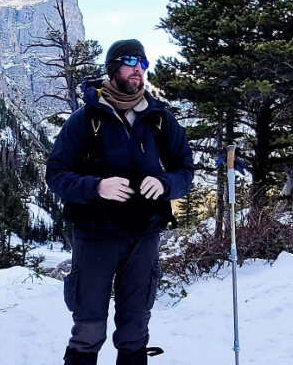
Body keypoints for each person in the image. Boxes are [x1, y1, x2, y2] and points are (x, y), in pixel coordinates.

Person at [46, 39, 194, 365]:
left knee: (135, 329)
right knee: (88, 329)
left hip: (144, 236)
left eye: (143, 63)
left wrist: (166, 183)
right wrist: (97, 186)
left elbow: (185, 170)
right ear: (113, 68)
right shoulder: (86, 119)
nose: (138, 69)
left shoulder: (159, 119)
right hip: (95, 235)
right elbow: (55, 175)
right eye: (130, 61)